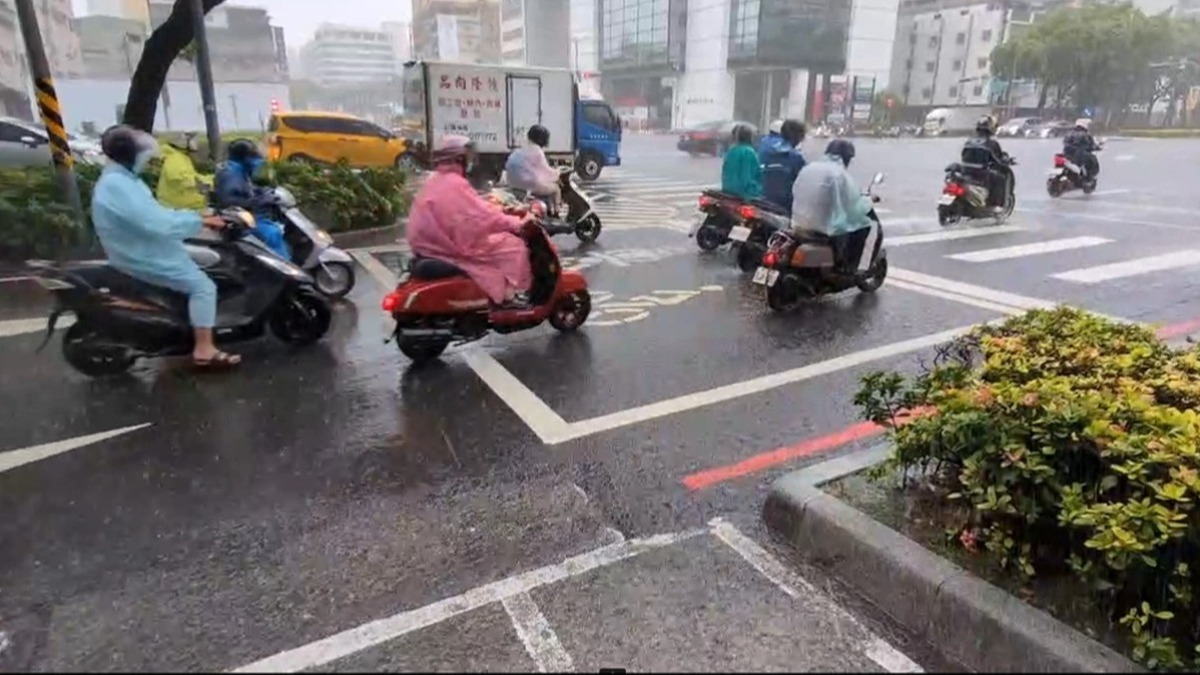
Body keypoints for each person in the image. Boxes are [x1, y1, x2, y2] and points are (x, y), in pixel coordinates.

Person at [91, 125, 237, 368]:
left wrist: (198, 215)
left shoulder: (121, 180)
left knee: (206, 259)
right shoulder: (119, 185)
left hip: (145, 245)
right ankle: (204, 350)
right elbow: (158, 224)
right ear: (129, 154)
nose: (146, 161)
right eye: (143, 156)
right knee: (203, 287)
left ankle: (186, 323)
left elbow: (155, 214)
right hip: (142, 252)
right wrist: (199, 220)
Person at [408, 135, 536, 307]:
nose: (470, 161)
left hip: (430, 245)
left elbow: (474, 210)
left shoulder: (436, 180)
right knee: (513, 245)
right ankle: (508, 297)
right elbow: (483, 218)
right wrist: (517, 223)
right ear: (458, 158)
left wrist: (496, 210)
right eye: (467, 156)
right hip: (449, 248)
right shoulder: (456, 184)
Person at [790, 139, 875, 272]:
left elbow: (795, 190)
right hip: (823, 228)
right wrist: (869, 202)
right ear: (846, 158)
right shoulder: (840, 175)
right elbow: (853, 208)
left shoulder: (808, 167)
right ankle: (847, 268)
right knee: (864, 226)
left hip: (798, 223)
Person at [214, 139, 289, 259]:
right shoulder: (231, 173)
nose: (257, 159)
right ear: (244, 156)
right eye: (253, 156)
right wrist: (258, 201)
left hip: (250, 213)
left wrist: (266, 193)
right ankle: (284, 268)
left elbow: (253, 188)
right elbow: (228, 201)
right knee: (272, 233)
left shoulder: (242, 169)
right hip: (239, 218)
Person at [504, 124, 562, 218]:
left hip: (513, 183)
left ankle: (546, 209)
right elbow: (545, 172)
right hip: (528, 184)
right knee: (556, 189)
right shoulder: (537, 151)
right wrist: (558, 173)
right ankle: (556, 214)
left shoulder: (521, 148)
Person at [960, 115, 1012, 213]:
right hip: (980, 173)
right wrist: (1005, 162)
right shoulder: (991, 143)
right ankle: (996, 205)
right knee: (1000, 178)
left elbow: (963, 155)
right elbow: (998, 160)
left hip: (965, 171)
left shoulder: (969, 141)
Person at [759, 119, 807, 214]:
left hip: (762, 201)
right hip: (784, 206)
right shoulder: (796, 157)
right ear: (797, 137)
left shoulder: (765, 150)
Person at [155, 132, 211, 211]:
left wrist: (212, 179)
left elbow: (193, 176)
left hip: (184, 207)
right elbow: (176, 177)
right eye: (192, 139)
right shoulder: (174, 158)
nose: (196, 142)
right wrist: (199, 184)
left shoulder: (182, 157)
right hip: (178, 209)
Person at [720, 124, 762, 200]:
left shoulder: (731, 151)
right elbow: (746, 178)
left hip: (727, 191)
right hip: (744, 194)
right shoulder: (749, 152)